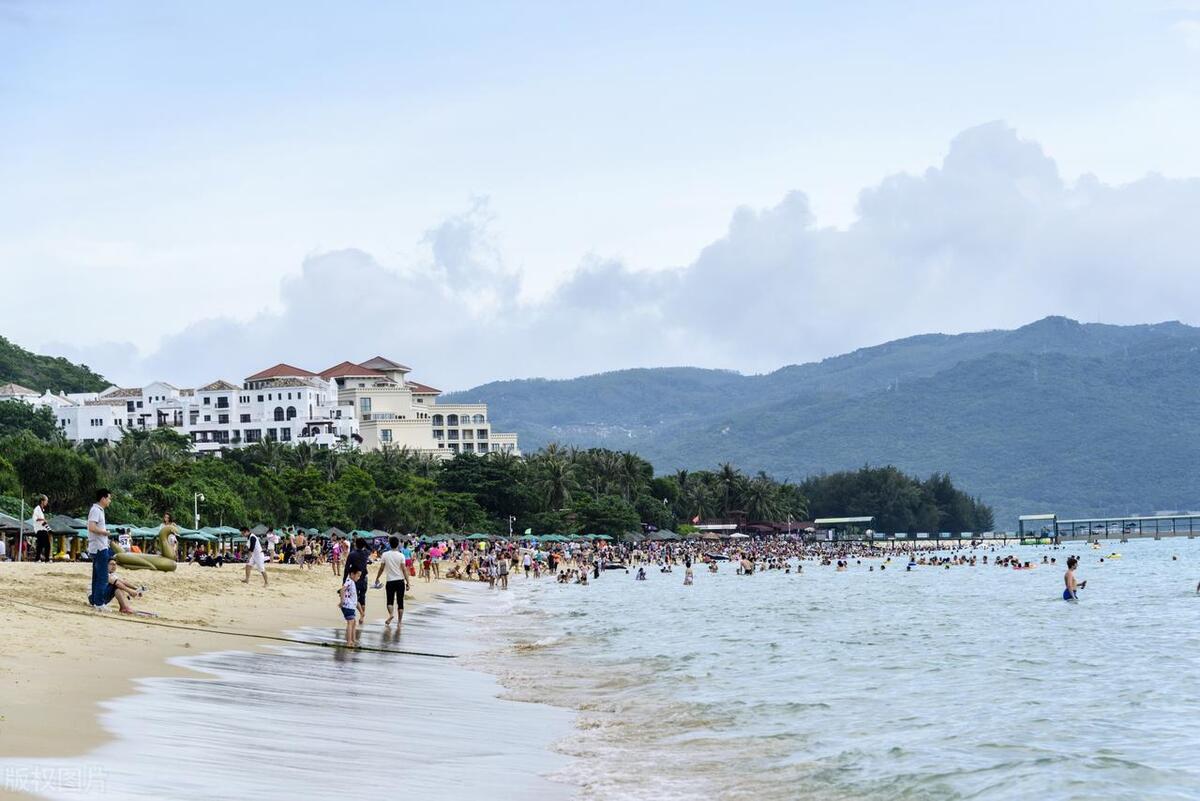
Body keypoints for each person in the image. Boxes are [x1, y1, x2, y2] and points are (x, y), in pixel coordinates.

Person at [86, 490, 114, 609]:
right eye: (109, 498)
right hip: (99, 548)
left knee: (97, 576)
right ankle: (99, 603)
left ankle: (95, 601)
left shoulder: (98, 510)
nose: (109, 501)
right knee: (102, 577)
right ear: (103, 498)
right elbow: (92, 527)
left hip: (99, 547)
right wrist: (105, 532)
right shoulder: (96, 510)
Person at [374, 536, 407, 627]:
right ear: (398, 544)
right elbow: (404, 569)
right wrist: (408, 582)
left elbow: (381, 568)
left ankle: (391, 615)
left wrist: (377, 578)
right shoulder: (401, 555)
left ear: (389, 544)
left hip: (390, 581)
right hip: (400, 581)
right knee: (400, 602)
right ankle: (399, 622)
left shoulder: (385, 555)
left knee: (389, 601)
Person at [343, 538, 369, 625]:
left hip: (355, 578)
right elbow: (370, 548)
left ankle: (361, 613)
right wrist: (364, 543)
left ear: (355, 544)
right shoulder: (366, 553)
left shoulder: (352, 554)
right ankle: (362, 617)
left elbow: (347, 568)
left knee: (354, 597)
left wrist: (344, 580)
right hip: (364, 577)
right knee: (363, 597)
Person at [340, 566, 362, 646]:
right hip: (348, 606)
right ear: (352, 574)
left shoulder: (352, 582)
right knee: (350, 622)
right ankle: (349, 641)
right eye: (358, 575)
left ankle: (353, 639)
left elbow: (354, 598)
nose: (359, 578)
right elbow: (342, 589)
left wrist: (361, 612)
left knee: (353, 622)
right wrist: (342, 601)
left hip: (351, 606)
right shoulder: (349, 581)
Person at [32, 494, 50, 562]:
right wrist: (43, 519)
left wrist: (48, 528)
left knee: (40, 544)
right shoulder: (37, 509)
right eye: (46, 501)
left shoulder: (42, 510)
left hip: (43, 529)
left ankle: (38, 559)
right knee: (46, 544)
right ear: (42, 501)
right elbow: (35, 518)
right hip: (39, 529)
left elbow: (42, 522)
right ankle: (46, 559)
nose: (47, 502)